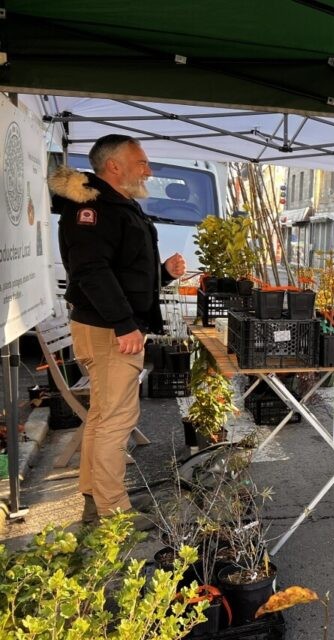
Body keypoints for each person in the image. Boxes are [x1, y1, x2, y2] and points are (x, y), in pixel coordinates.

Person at [50, 134, 186, 530]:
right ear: (114, 166)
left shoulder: (115, 205)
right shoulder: (93, 209)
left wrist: (163, 274)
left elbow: (122, 271)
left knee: (103, 416)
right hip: (110, 331)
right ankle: (114, 512)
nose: (148, 169)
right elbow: (92, 272)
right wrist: (125, 325)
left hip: (108, 326)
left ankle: (95, 497)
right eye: (141, 162)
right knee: (117, 420)